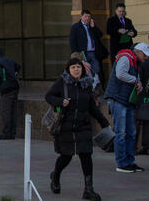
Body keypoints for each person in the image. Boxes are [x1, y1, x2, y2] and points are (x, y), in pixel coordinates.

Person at [46, 57, 109, 201]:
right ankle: (55, 176)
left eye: (78, 67)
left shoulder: (86, 85)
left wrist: (104, 122)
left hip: (83, 126)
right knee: (66, 156)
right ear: (68, 69)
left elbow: (92, 107)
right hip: (66, 126)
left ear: (82, 69)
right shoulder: (62, 82)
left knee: (86, 155)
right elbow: (48, 96)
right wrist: (60, 101)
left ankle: (89, 189)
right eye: (73, 67)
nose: (76, 70)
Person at [105, 41, 149, 173]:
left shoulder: (134, 61)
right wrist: (135, 81)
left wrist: (138, 83)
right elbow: (120, 74)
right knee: (121, 132)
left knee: (131, 132)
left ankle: (130, 161)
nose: (146, 58)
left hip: (127, 100)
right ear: (138, 52)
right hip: (118, 99)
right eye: (145, 54)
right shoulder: (126, 57)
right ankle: (122, 163)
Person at [68, 10, 106, 87]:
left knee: (96, 70)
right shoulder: (76, 27)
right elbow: (72, 41)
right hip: (82, 53)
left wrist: (94, 27)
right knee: (84, 71)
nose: (87, 18)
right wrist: (76, 54)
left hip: (93, 52)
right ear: (81, 17)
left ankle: (95, 87)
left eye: (89, 17)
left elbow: (100, 35)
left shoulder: (91, 26)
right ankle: (86, 87)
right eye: (85, 16)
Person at [0, 45, 21, 139]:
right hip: (15, 87)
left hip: (6, 89)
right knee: (13, 111)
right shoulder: (9, 59)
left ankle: (6, 133)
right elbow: (18, 66)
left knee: (6, 111)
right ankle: (12, 132)